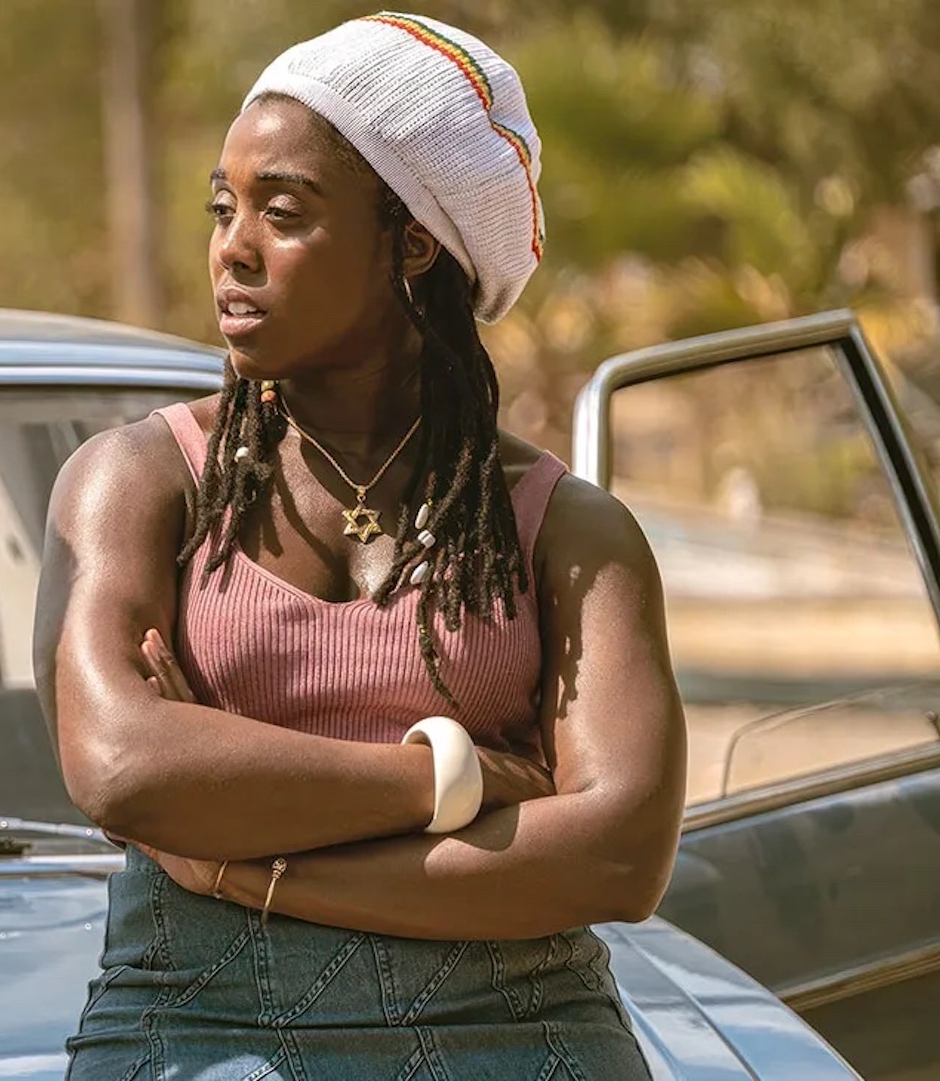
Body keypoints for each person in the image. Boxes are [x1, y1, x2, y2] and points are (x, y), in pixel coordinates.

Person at [35, 13, 683, 1078]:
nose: (232, 247)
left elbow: (619, 851)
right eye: (222, 206)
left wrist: (245, 864)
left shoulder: (567, 531)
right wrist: (450, 779)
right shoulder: (141, 483)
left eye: (282, 212)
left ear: (414, 240)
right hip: (199, 1016)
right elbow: (120, 762)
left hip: (516, 1026)